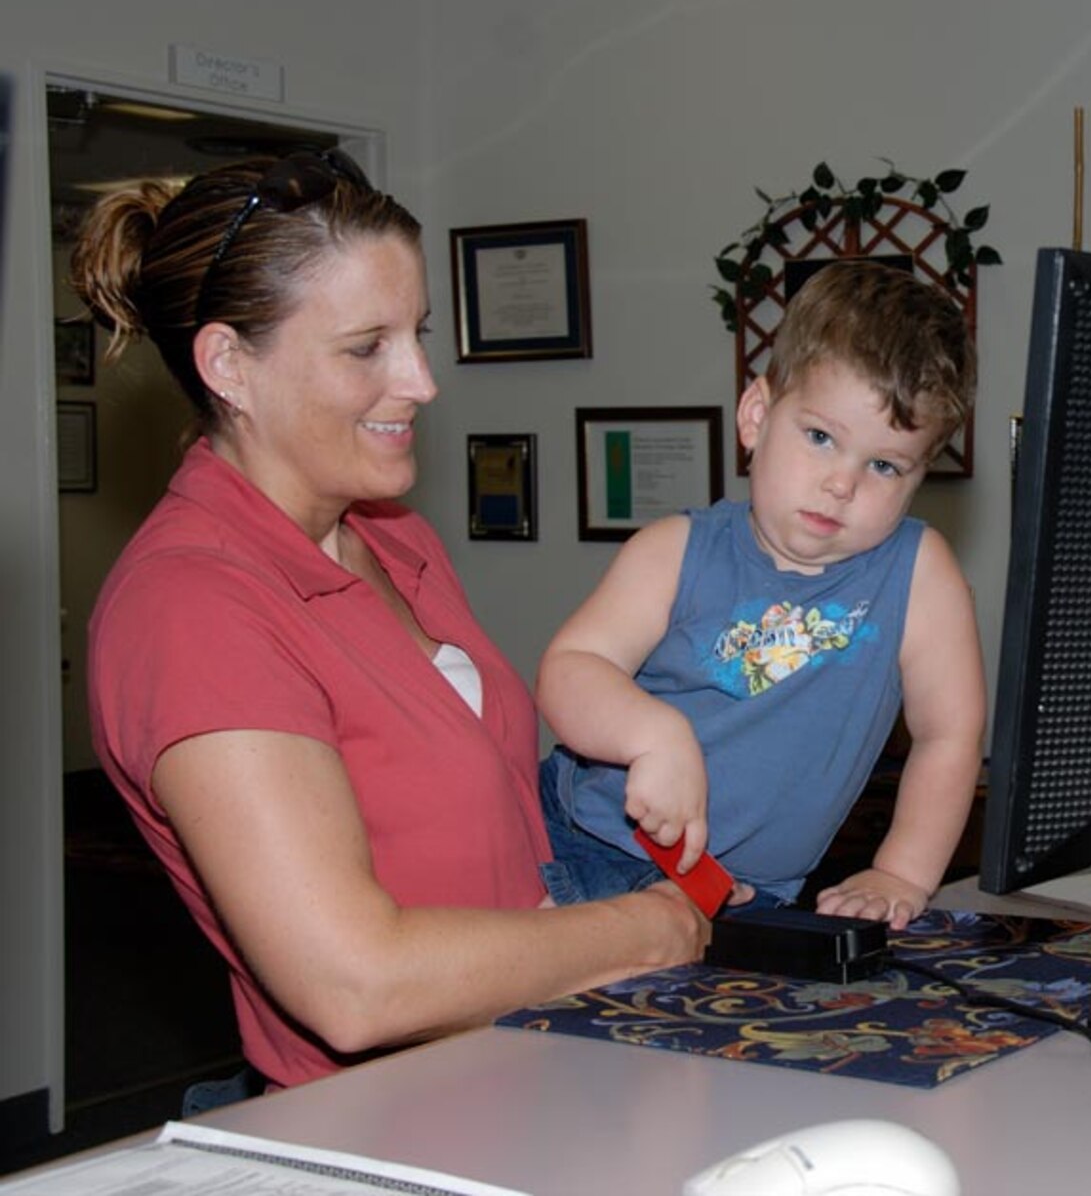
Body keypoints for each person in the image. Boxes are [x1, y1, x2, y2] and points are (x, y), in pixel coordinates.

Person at [76, 151, 709, 1092]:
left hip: (530, 1065)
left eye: (417, 334)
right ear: (228, 365)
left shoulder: (392, 537)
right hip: (392, 1113)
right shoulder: (192, 607)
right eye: (366, 346)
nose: (420, 379)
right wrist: (647, 928)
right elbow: (353, 981)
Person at [537, 260, 984, 929]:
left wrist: (903, 871)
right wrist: (653, 735)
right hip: (589, 846)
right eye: (821, 437)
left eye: (884, 464)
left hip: (749, 899)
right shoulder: (675, 550)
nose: (843, 482)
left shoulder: (920, 574)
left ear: (919, 475)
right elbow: (569, 669)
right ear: (756, 415)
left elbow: (950, 734)